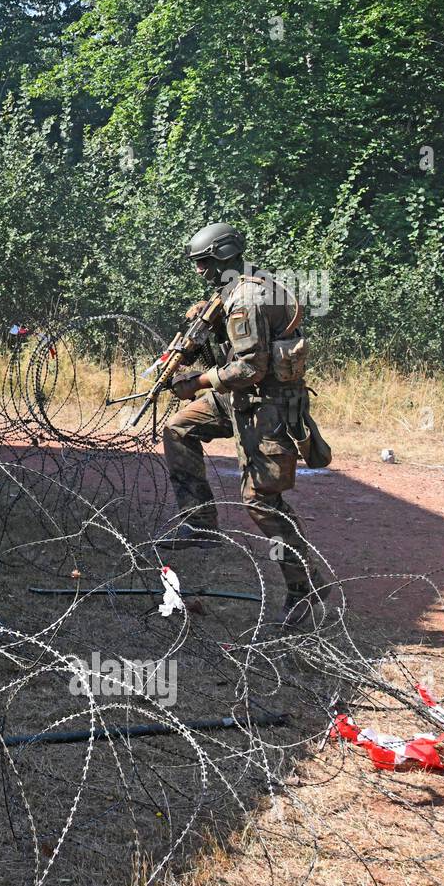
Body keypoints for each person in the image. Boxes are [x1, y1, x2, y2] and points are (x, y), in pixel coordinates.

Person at [160, 222, 328, 626]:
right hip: (238, 399)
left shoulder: (247, 299)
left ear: (223, 256)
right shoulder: (237, 289)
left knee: (262, 503)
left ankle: (306, 590)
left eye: (204, 263)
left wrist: (196, 381)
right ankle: (200, 523)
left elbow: (251, 367)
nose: (200, 271)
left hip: (266, 407)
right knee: (180, 429)